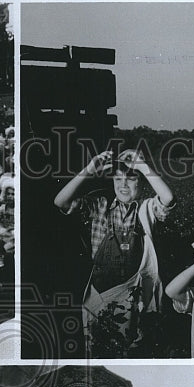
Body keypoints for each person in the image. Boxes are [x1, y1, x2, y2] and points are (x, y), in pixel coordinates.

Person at [53, 149, 174, 353]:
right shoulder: (100, 207)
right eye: (118, 178)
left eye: (131, 179)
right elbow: (60, 201)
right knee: (98, 352)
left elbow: (168, 198)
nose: (123, 184)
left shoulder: (146, 210)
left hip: (135, 301)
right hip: (99, 297)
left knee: (132, 351)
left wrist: (143, 166)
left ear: (141, 182)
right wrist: (90, 169)